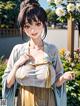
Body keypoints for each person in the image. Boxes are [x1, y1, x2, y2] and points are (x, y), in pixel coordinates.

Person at [2, 0, 75, 106]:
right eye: (27, 26)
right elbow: (8, 85)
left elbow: (55, 83)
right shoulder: (18, 50)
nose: (33, 30)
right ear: (23, 28)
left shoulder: (52, 50)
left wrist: (63, 77)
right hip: (24, 101)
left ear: (44, 23)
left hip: (48, 101)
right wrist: (17, 65)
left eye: (37, 23)